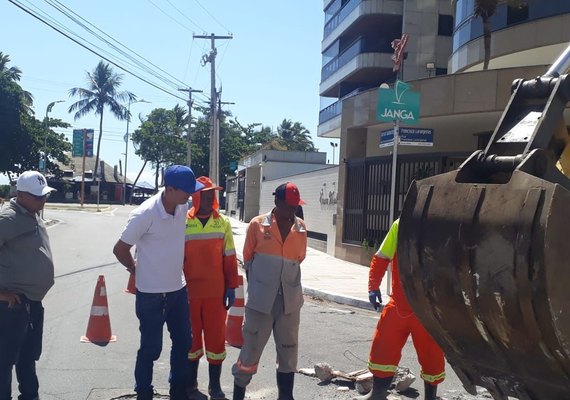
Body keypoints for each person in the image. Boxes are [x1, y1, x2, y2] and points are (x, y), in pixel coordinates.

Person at [113, 165, 204, 400]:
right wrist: (133, 269)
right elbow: (120, 248)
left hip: (177, 289)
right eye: (186, 191)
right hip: (151, 293)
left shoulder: (183, 205)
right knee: (151, 349)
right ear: (170, 189)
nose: (190, 196)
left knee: (184, 342)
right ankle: (143, 391)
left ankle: (177, 389)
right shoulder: (145, 214)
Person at [232, 182, 307, 400]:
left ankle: (286, 396)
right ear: (277, 202)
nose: (292, 212)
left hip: (289, 303)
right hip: (260, 303)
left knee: (288, 350)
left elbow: (299, 258)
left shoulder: (301, 228)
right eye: (288, 207)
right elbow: (247, 257)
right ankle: (239, 392)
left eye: (295, 207)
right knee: (251, 351)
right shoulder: (257, 225)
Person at [355, 218, 445, 400]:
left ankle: (430, 398)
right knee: (382, 348)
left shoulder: (443, 222)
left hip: (428, 309)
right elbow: (382, 256)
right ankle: (378, 394)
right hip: (399, 304)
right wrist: (373, 286)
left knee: (432, 356)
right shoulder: (401, 224)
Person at [0, 171, 56, 400]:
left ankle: (30, 396)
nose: (43, 201)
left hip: (32, 302)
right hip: (12, 305)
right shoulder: (8, 219)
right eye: (37, 197)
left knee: (28, 355)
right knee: (4, 361)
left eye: (44, 196)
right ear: (21, 195)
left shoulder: (32, 213)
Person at [183, 176, 239, 399]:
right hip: (189, 294)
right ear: (196, 196)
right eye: (205, 194)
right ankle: (191, 384)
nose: (210, 198)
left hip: (216, 294)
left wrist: (232, 287)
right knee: (191, 341)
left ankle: (214, 386)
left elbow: (230, 258)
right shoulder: (183, 222)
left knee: (216, 341)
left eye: (212, 194)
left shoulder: (223, 223)